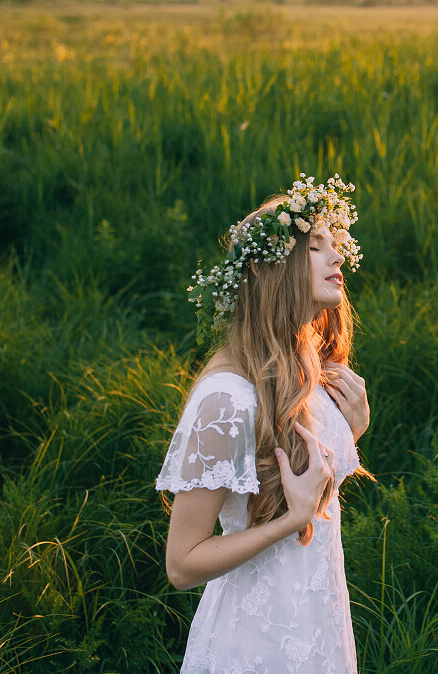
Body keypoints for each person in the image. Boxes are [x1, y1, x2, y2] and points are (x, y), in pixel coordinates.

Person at [156, 174, 371, 673]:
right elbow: (182, 564)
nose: (337, 257)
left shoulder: (307, 367)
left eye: (334, 245)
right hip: (255, 641)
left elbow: (309, 490)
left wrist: (353, 431)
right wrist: (288, 522)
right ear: (267, 268)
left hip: (319, 621)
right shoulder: (227, 400)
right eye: (315, 247)